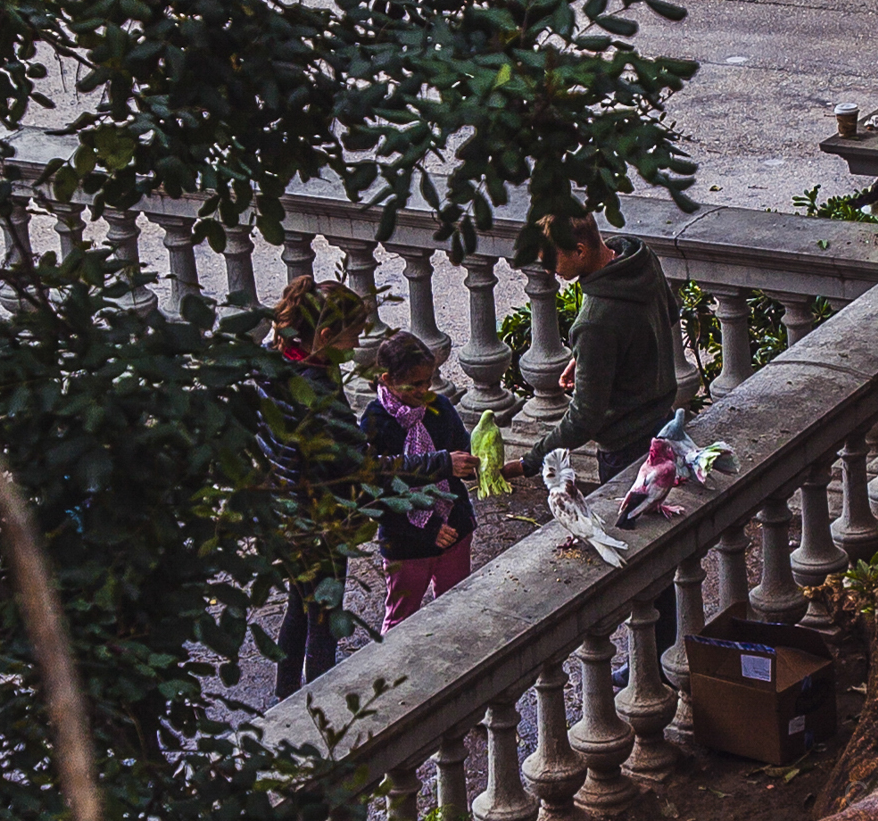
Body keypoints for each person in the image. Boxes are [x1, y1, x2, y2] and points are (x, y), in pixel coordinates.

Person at [256, 278, 457, 700]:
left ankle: (284, 693)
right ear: (326, 335)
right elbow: (364, 468)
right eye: (351, 339)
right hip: (318, 518)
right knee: (324, 617)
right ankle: (319, 704)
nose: (354, 349)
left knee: (299, 604)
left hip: (282, 509)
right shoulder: (316, 393)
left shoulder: (273, 357)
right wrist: (441, 463)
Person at [501, 214, 680, 683]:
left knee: (640, 563)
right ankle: (667, 653)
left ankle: (653, 667)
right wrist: (589, 361)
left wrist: (531, 461)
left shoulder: (595, 320)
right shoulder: (637, 257)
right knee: (662, 555)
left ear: (580, 250)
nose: (549, 270)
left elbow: (584, 418)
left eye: (552, 260)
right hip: (664, 425)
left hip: (626, 449)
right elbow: (670, 312)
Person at [361, 332, 479, 633]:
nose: (424, 390)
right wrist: (426, 529)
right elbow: (375, 493)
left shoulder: (440, 407)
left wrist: (473, 466)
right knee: (401, 620)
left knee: (456, 611)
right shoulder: (374, 423)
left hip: (454, 528)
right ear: (387, 380)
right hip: (405, 542)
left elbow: (461, 450)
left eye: (428, 382)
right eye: (415, 384)